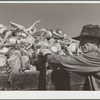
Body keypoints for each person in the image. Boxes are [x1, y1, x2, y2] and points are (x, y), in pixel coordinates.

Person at [40, 24, 100, 90]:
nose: (80, 44)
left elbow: (72, 61)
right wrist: (70, 56)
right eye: (80, 41)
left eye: (84, 41)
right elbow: (81, 63)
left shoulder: (96, 56)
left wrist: (47, 55)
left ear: (95, 42)